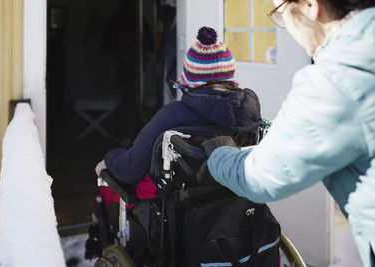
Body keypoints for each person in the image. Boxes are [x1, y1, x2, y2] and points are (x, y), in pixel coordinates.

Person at [202, 1, 375, 266]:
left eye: (280, 14)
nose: (287, 29)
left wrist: (218, 154)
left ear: (309, 5)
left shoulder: (338, 77)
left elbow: (259, 176)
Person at [95, 26, 262, 209]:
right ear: (230, 75)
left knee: (108, 191)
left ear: (190, 77)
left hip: (170, 207)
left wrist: (109, 159)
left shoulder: (172, 115)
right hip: (227, 202)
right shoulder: (248, 113)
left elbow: (130, 171)